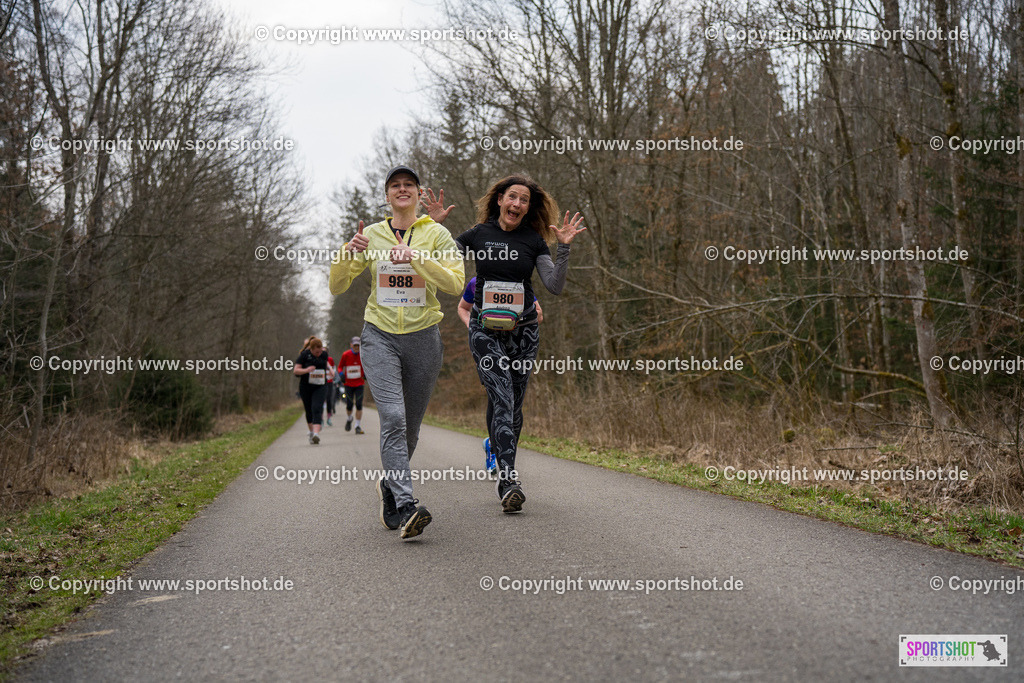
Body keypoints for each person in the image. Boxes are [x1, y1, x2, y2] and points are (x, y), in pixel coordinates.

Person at [329, 165, 464, 540]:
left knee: (412, 428)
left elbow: (455, 283)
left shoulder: (437, 233)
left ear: (419, 193)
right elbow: (337, 286)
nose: (402, 190)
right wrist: (346, 253)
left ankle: (389, 486)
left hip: (423, 338)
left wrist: (415, 258)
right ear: (387, 196)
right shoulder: (370, 235)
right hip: (380, 336)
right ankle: (406, 505)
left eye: (409, 185)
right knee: (392, 417)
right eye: (395, 186)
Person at [456, 174, 585, 513]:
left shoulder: (533, 240)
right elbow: (443, 260)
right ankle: (508, 480)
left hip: (524, 330)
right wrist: (433, 226)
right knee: (502, 395)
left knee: (513, 404)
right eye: (511, 196)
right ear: (499, 199)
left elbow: (554, 286)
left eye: (524, 200)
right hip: (484, 328)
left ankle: (498, 451)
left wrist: (565, 247)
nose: (517, 204)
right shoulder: (478, 234)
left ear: (529, 207)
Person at [457, 276, 543, 473]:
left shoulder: (518, 282)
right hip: (488, 345)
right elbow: (462, 308)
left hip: (516, 345)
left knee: (512, 399)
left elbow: (538, 315)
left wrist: (513, 322)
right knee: (497, 396)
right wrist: (474, 327)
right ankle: (495, 452)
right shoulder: (476, 282)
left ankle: (502, 453)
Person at [293, 336, 330, 445]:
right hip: (306, 387)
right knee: (309, 410)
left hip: (320, 386)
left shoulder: (324, 355)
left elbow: (325, 365)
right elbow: (296, 371)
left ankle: (316, 434)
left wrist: (331, 371)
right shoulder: (304, 355)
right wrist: (307, 370)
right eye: (316, 352)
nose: (319, 354)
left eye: (320, 351)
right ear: (311, 349)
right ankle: (311, 431)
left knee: (317, 408)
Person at [339, 336, 365, 434]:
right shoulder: (346, 355)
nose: (356, 347)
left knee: (359, 405)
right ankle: (349, 419)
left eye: (358, 345)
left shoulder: (363, 354)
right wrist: (341, 374)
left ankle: (357, 426)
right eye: (354, 345)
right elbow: (340, 367)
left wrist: (366, 374)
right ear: (351, 345)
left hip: (359, 383)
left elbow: (367, 365)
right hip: (348, 384)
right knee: (349, 405)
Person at [324, 348, 337, 426]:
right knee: (321, 400)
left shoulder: (330, 359)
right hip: (321, 383)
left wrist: (333, 376)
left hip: (329, 382)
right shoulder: (318, 359)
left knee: (329, 399)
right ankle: (321, 418)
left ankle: (329, 418)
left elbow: (333, 370)